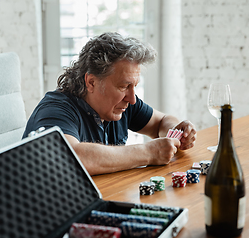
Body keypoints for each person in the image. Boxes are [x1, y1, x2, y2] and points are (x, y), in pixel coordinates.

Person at [23, 32, 197, 175]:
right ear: (91, 82)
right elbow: (69, 157)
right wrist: (149, 153)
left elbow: (161, 121)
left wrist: (177, 132)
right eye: (123, 86)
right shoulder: (55, 110)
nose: (132, 99)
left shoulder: (124, 102)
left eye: (134, 86)